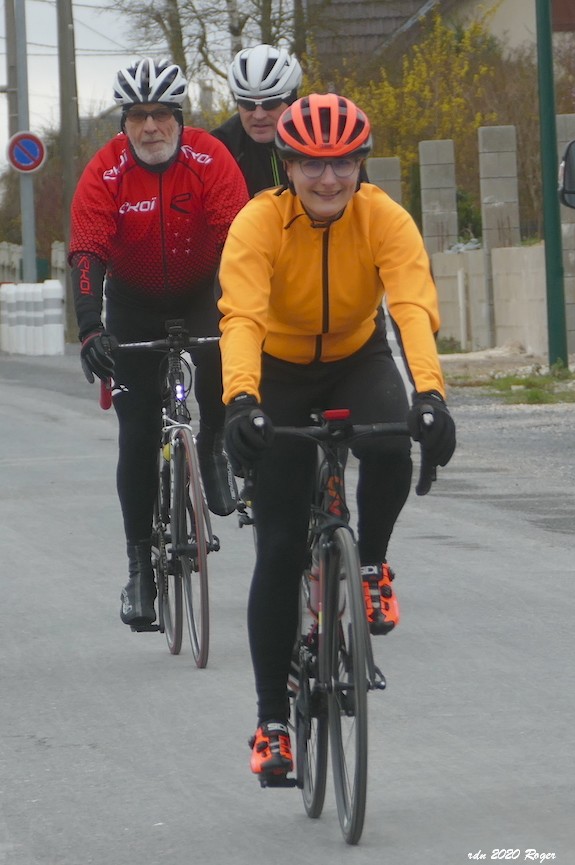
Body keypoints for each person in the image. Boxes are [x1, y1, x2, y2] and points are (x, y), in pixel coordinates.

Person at [217, 93, 457, 780]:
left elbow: (411, 306)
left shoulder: (384, 217)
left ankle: (372, 563)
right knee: (280, 547)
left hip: (356, 355)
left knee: (391, 441)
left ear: (361, 164)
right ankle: (272, 723)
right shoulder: (259, 222)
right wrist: (241, 401)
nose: (328, 179)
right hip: (279, 368)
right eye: (313, 165)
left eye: (343, 164)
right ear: (288, 166)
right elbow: (242, 317)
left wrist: (432, 394)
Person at [70, 58, 250, 629]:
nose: (150, 127)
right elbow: (87, 250)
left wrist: (245, 312)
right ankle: (138, 571)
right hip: (133, 305)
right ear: (123, 122)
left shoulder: (209, 158)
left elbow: (238, 241)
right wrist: (91, 328)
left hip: (201, 292)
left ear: (179, 117)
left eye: (161, 115)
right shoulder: (106, 170)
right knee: (138, 433)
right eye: (137, 116)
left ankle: (214, 444)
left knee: (225, 368)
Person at [211, 44, 303, 196]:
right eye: (247, 104)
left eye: (270, 104)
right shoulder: (221, 147)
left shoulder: (318, 134)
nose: (259, 115)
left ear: (291, 102)